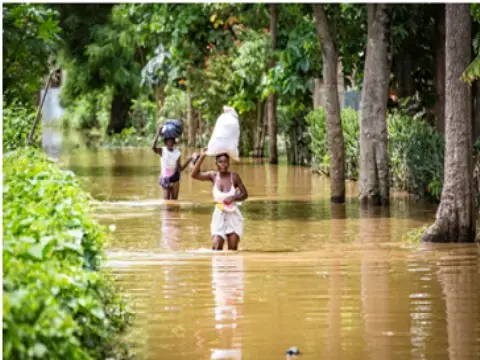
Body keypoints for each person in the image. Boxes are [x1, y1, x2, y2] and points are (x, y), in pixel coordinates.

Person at [191, 148, 248, 251]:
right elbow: (194, 175)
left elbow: (245, 194)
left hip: (233, 215)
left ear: (228, 163)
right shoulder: (213, 176)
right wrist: (202, 157)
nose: (223, 164)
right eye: (220, 162)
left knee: (232, 249)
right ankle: (218, 266)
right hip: (219, 214)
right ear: (216, 163)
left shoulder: (234, 176)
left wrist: (233, 197)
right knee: (217, 246)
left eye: (226, 162)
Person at [152, 125, 194, 200]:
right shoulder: (162, 150)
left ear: (174, 142)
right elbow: (153, 147)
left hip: (175, 177)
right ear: (165, 142)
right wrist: (158, 132)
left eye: (171, 141)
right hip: (165, 177)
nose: (170, 143)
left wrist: (190, 159)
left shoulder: (177, 153)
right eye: (168, 141)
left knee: (174, 200)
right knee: (167, 200)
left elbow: (180, 168)